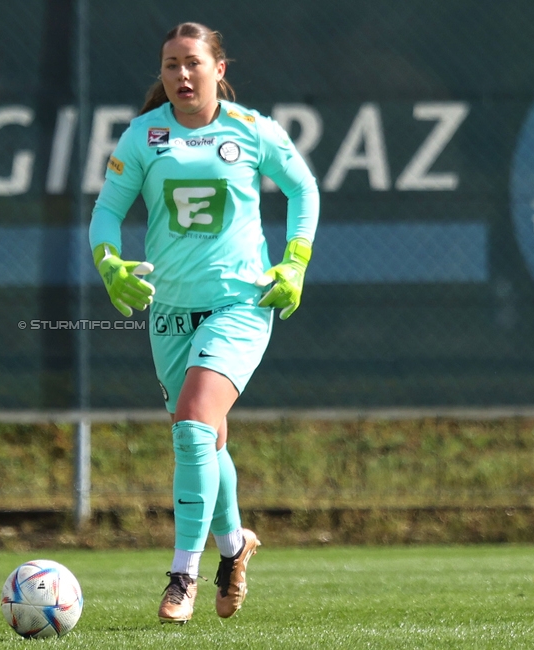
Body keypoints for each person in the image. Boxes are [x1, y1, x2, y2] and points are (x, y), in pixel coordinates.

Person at [89, 22, 319, 624]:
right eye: (170, 65)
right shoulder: (144, 136)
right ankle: (234, 545)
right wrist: (109, 264)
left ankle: (181, 576)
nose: (181, 75)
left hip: (240, 303)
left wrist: (294, 261)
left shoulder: (250, 130)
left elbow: (303, 188)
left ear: (219, 69)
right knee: (207, 440)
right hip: (168, 310)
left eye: (192, 63)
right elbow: (106, 212)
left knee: (192, 424)